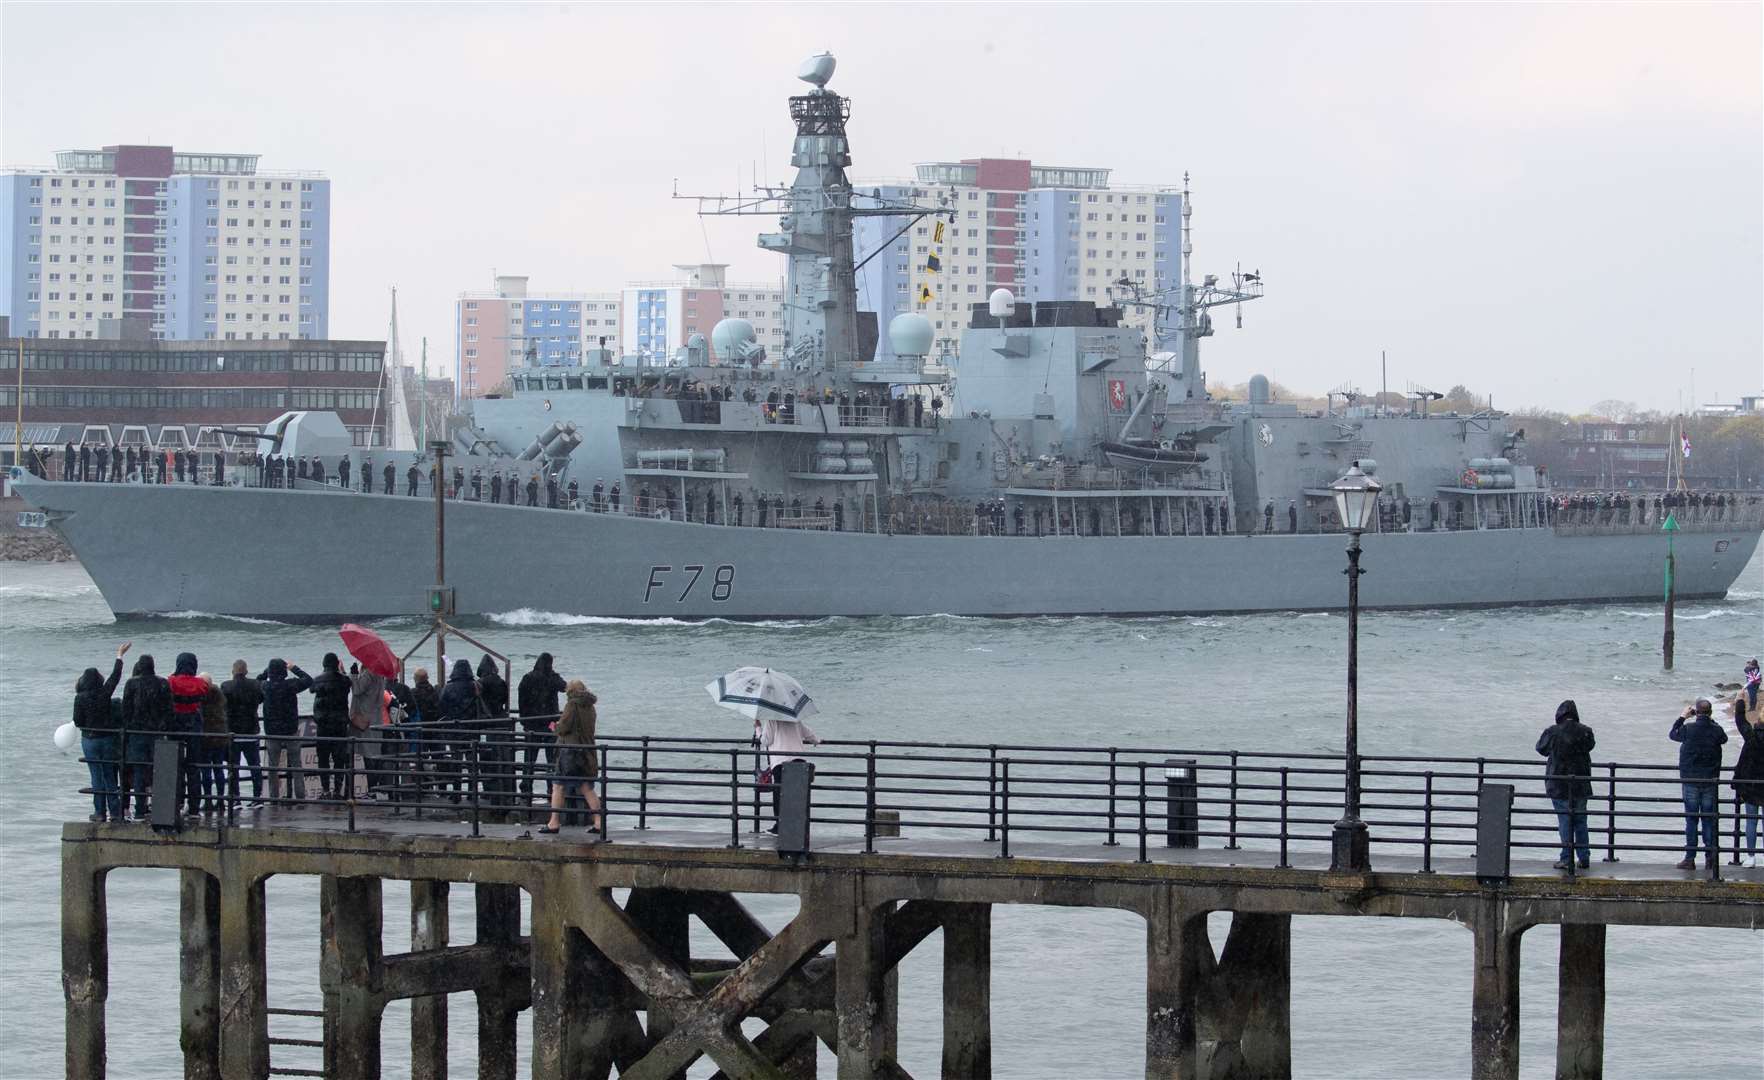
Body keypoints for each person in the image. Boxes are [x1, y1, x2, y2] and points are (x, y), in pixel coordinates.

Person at [73, 643, 129, 822]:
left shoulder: (79, 698)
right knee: (109, 776)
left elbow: (77, 721)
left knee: (96, 776)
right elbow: (115, 676)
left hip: (89, 739)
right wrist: (119, 655)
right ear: (98, 681)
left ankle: (99, 812)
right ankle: (115, 812)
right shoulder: (104, 693)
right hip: (107, 738)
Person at [1536, 699, 1595, 870]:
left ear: (1559, 714)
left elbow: (1541, 749)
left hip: (1559, 784)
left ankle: (1566, 857)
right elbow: (1590, 746)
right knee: (1581, 821)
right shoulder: (1586, 731)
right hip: (1580, 784)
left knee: (1564, 821)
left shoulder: (1552, 732)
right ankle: (1584, 857)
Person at [1670, 699, 1728, 870]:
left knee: (1691, 820)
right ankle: (1711, 857)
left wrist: (1682, 717)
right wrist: (1709, 720)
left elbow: (1673, 733)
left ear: (1697, 712)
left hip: (1690, 779)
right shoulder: (1716, 730)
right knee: (1709, 820)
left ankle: (1690, 858)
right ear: (1710, 713)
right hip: (1710, 779)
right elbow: (1723, 738)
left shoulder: (1688, 729)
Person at [539, 680, 602, 835]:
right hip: (587, 751)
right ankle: (599, 822)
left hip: (570, 752)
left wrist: (555, 726)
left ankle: (554, 822)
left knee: (558, 786)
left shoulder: (572, 705)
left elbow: (564, 727)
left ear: (570, 691)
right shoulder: (590, 706)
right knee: (587, 788)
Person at [120, 653, 170, 819]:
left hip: (137, 734)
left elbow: (125, 710)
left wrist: (129, 728)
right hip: (156, 733)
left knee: (140, 772)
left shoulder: (132, 684)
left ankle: (140, 809)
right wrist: (163, 727)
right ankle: (160, 809)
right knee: (159, 770)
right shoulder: (162, 683)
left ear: (140, 666)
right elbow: (168, 709)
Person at [755, 712, 821, 833]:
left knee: (779, 794)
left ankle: (779, 827)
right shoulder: (794, 718)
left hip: (780, 762)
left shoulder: (772, 720)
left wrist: (758, 728)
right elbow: (808, 733)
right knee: (796, 796)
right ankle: (797, 828)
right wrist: (816, 741)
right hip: (799, 760)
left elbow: (765, 741)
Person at [259, 658, 313, 803]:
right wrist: (294, 668)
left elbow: (256, 681)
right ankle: (300, 796)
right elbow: (308, 680)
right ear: (284, 671)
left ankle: (273, 796)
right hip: (290, 730)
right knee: (296, 764)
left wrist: (266, 672)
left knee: (272, 767)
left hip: (272, 731)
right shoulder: (291, 685)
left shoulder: (265, 686)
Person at [517, 653, 567, 804]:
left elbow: (522, 700)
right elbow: (564, 687)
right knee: (551, 759)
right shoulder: (552, 678)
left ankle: (526, 789)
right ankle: (551, 790)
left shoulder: (527, 678)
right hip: (550, 724)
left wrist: (524, 720)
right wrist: (552, 674)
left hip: (532, 724)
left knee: (529, 758)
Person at [309, 653, 353, 800]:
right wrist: (343, 671)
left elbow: (311, 689)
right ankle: (337, 790)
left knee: (323, 759)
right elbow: (348, 685)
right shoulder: (344, 680)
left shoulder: (318, 680)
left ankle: (326, 790)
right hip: (340, 725)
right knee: (339, 760)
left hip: (323, 725)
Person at [222, 659, 266, 806]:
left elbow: (224, 706)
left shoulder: (226, 686)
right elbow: (261, 699)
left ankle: (235, 798)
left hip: (233, 733)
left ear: (233, 671)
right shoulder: (255, 685)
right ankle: (257, 797)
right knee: (255, 766)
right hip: (251, 731)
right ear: (246, 671)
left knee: (232, 767)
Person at [1730, 699, 1763, 868]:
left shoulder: (1751, 736)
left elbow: (1740, 720)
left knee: (1751, 821)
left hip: (1751, 786)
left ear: (1758, 720)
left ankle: (1751, 857)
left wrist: (1740, 701)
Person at [476, 656, 513, 804]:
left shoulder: (480, 683)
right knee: (504, 757)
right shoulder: (501, 682)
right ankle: (506, 788)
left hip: (487, 724)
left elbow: (478, 701)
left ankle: (489, 789)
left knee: (487, 758)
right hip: (502, 720)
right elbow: (504, 699)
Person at [349, 663, 387, 797]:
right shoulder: (380, 676)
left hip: (365, 719)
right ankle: (377, 788)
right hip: (376, 718)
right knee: (375, 755)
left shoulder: (369, 674)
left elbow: (357, 690)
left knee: (368, 755)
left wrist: (353, 675)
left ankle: (372, 789)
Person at [198, 673, 230, 815]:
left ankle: (208, 799)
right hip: (220, 736)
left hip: (206, 738)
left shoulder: (201, 696)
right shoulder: (219, 696)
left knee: (206, 771)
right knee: (219, 769)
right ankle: (221, 799)